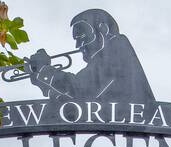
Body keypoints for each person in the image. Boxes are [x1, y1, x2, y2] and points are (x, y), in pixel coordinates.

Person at [24, 9, 155, 103]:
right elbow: (73, 105)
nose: (77, 45)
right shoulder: (106, 56)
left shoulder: (118, 46)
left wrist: (44, 70)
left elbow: (81, 90)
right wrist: (40, 78)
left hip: (138, 133)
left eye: (81, 37)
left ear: (103, 29)